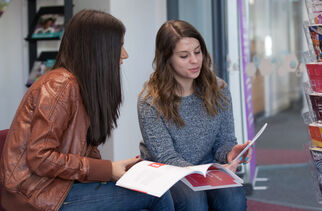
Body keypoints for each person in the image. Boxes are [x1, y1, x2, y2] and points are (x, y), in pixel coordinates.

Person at [0, 9, 174, 211]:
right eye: (119, 46)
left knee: (152, 186)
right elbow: (40, 158)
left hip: (56, 186)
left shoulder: (77, 85)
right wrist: (107, 170)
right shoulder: (60, 86)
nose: (125, 55)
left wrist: (114, 168)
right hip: (36, 195)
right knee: (156, 195)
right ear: (99, 48)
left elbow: (76, 150)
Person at [137, 19, 252, 211]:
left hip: (207, 166)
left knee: (233, 197)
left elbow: (223, 141)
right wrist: (202, 172)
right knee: (193, 201)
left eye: (197, 52)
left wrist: (230, 153)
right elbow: (166, 157)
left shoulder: (219, 89)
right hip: (169, 172)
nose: (195, 60)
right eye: (184, 56)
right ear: (167, 59)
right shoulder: (150, 101)